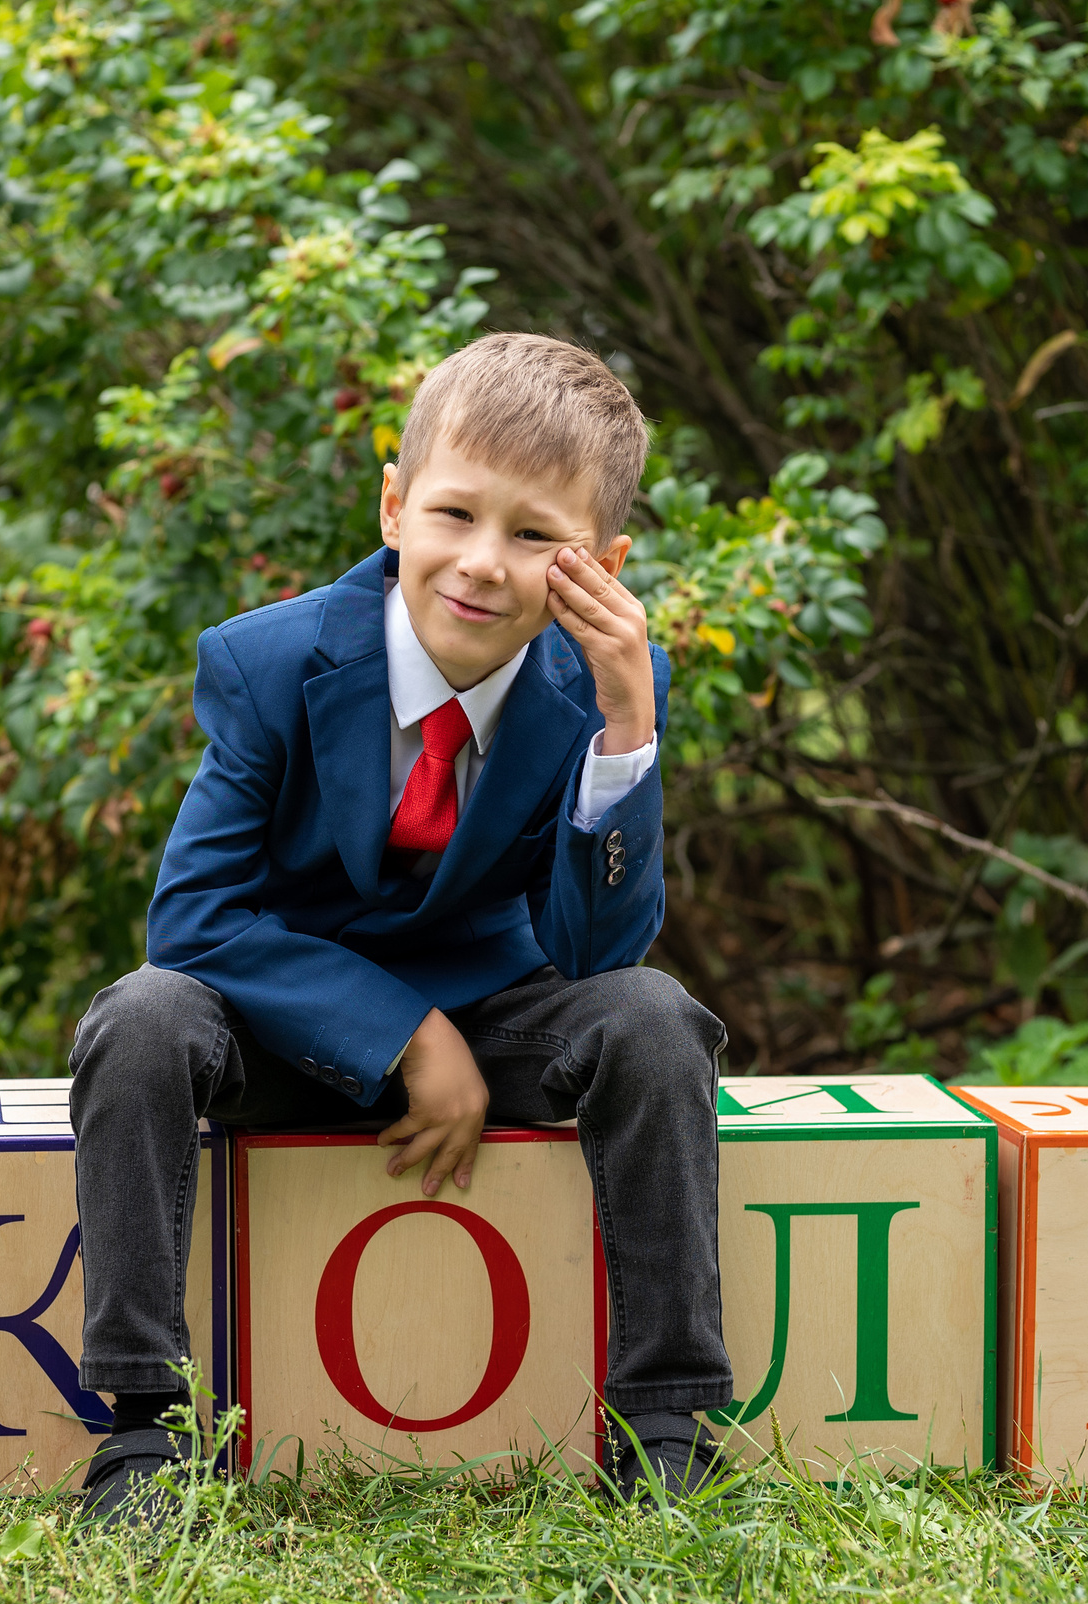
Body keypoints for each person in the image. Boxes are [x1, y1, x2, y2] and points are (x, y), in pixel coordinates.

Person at [68, 332, 733, 1520]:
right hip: (282, 1025)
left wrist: (627, 725)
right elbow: (193, 918)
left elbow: (595, 952)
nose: (481, 562)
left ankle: (668, 1426)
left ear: (599, 564)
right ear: (392, 505)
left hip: (502, 1011)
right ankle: (144, 1430)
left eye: (532, 535)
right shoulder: (270, 662)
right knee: (140, 1015)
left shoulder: (599, 686)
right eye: (454, 513)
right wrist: (408, 1034)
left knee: (654, 1018)